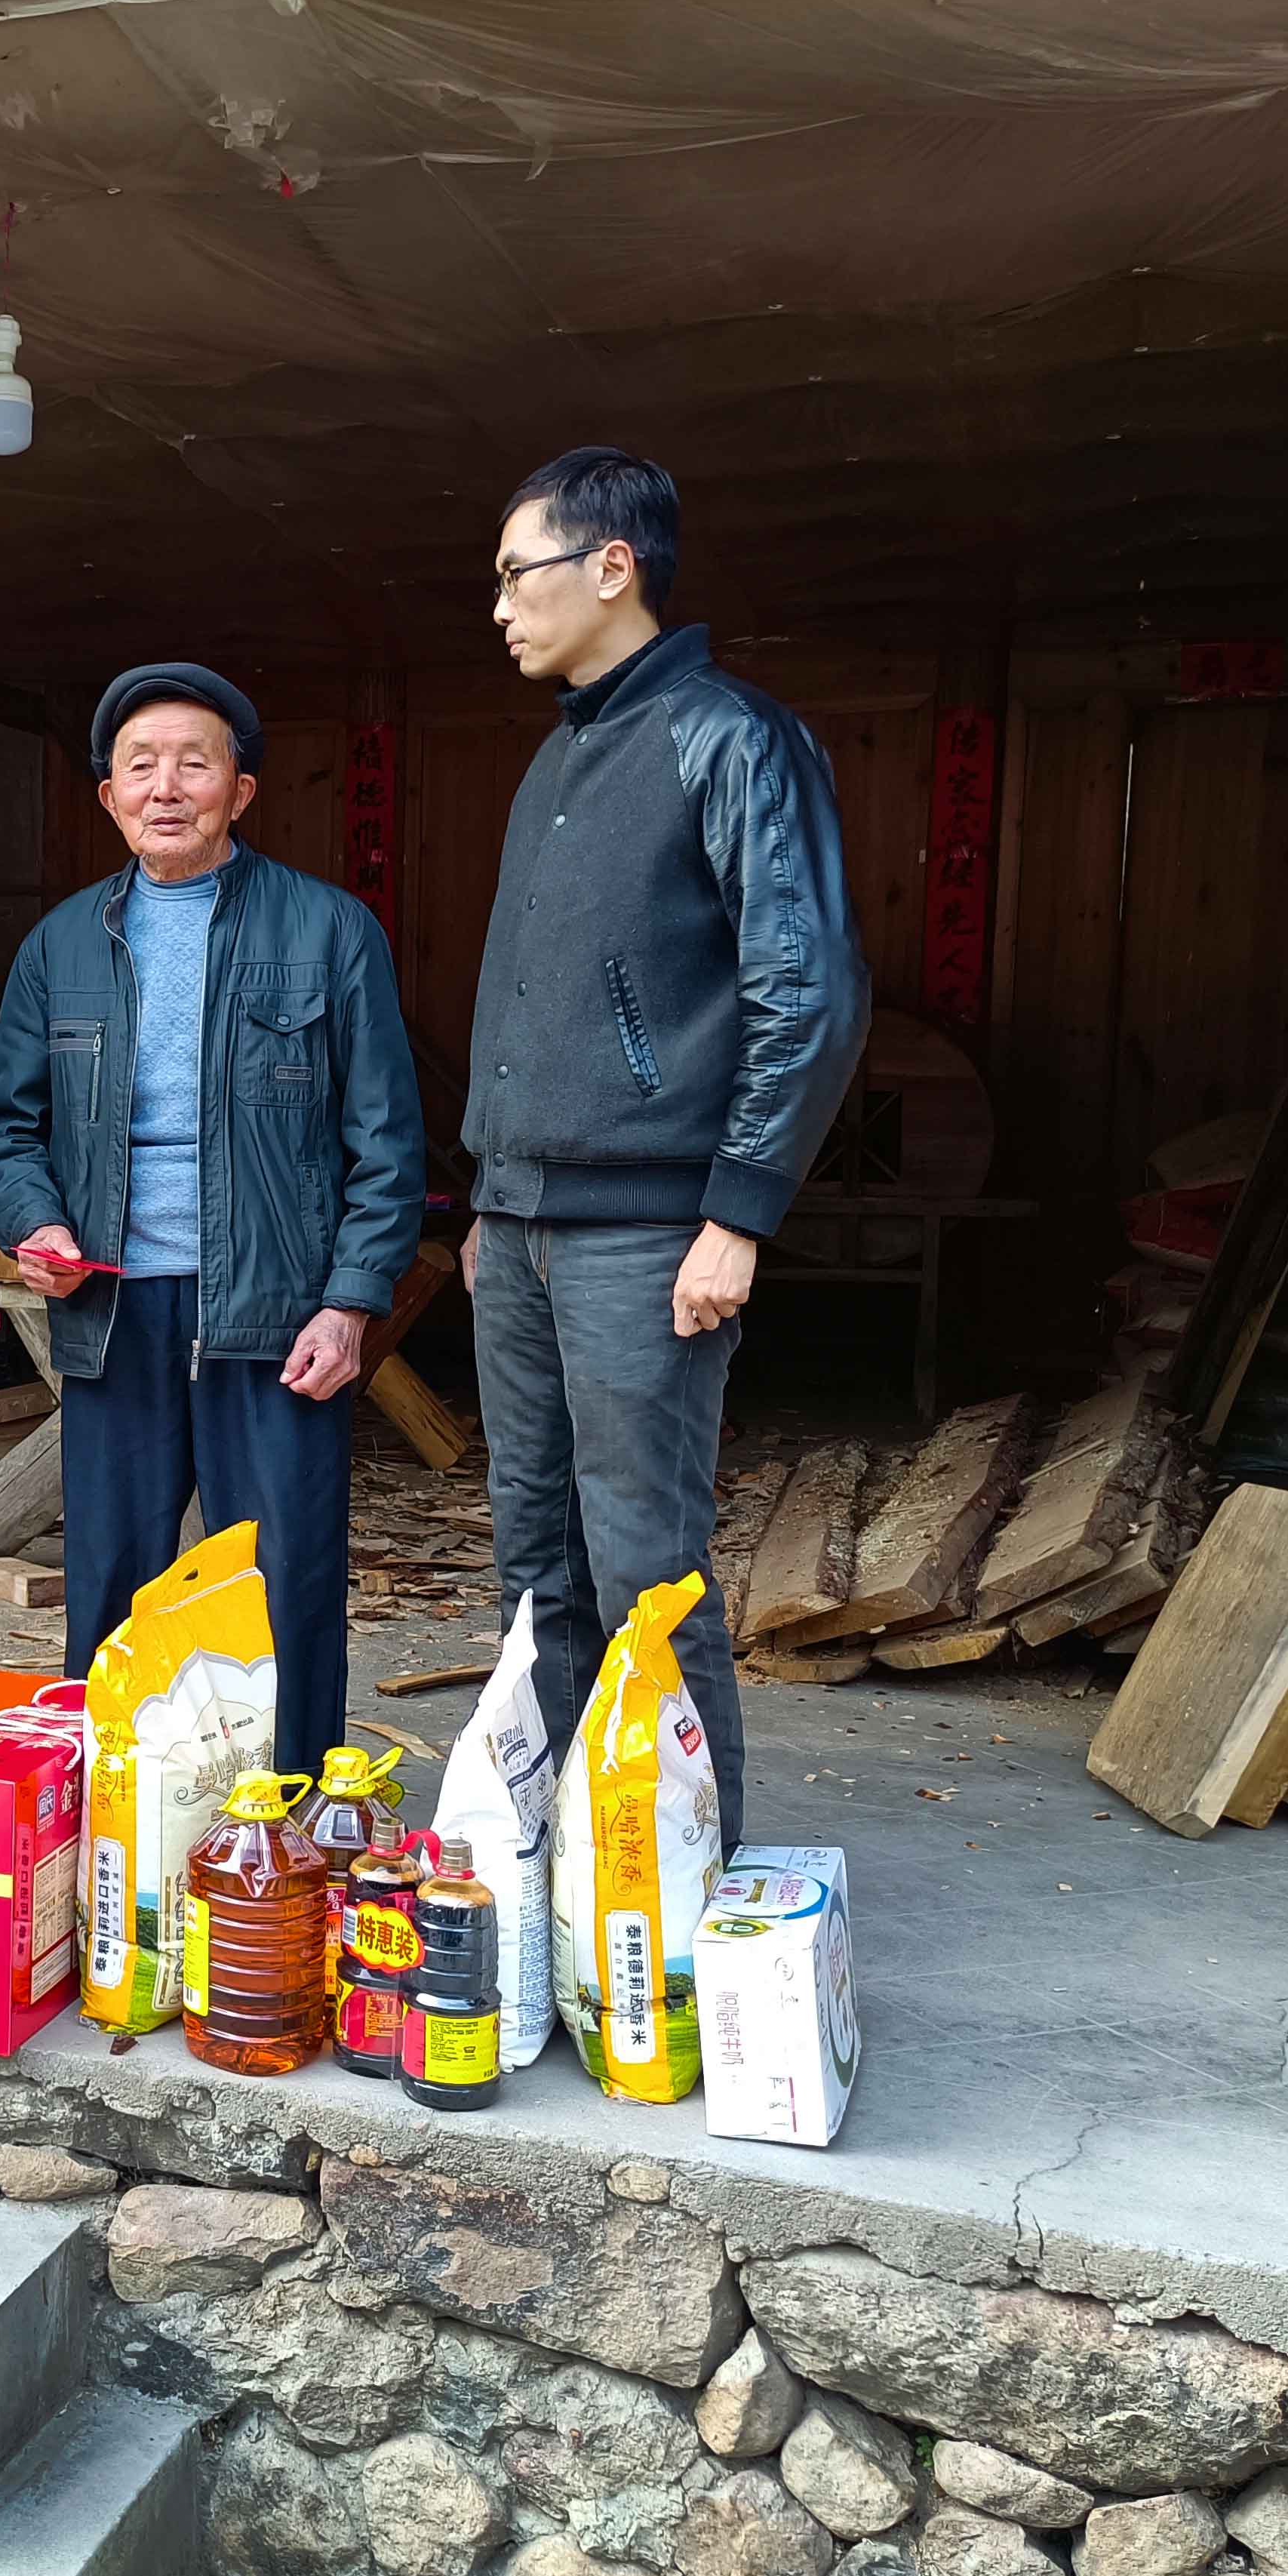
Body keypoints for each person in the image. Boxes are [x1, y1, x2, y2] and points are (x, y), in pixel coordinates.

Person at [461, 448, 870, 1845]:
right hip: (523, 1226)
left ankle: (681, 1874)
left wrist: (738, 1213)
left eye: (517, 574)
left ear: (612, 566)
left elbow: (806, 986)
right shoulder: (559, 757)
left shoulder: (729, 738)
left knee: (644, 1567)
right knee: (536, 1560)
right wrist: (493, 1199)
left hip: (647, 1232)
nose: (500, 606)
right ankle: (559, 1861)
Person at [0, 663, 424, 1779]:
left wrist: (351, 1301)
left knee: (284, 1583)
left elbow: (387, 1141)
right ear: (109, 797)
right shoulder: (62, 945)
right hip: (115, 1306)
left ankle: (290, 1816)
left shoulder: (329, 929)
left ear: (241, 789)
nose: (165, 787)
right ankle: (119, 1817)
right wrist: (37, 1227)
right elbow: (5, 1129)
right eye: (140, 766)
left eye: (193, 763)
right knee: (113, 1587)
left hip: (274, 1312)